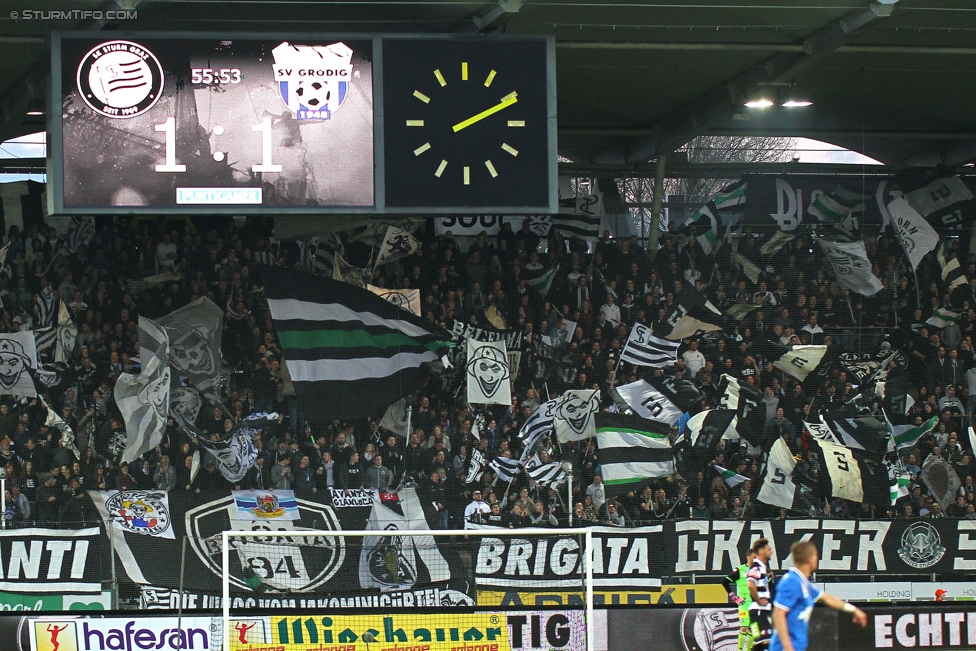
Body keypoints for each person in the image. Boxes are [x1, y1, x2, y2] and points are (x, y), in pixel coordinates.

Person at [770, 541, 867, 651]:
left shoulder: (803, 583)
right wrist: (787, 647)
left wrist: (853, 610)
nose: (817, 558)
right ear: (809, 559)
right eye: (815, 555)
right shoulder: (792, 582)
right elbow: (778, 614)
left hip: (797, 646)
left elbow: (826, 598)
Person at [724, 548, 757, 651]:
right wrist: (734, 597)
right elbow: (725, 582)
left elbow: (768, 582)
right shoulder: (740, 570)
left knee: (752, 630)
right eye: (754, 557)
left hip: (755, 605)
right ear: (748, 557)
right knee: (744, 627)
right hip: (743, 604)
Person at [748, 538, 774, 649]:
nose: (771, 551)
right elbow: (750, 584)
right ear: (762, 551)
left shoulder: (764, 569)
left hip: (757, 613)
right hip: (759, 612)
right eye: (769, 549)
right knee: (766, 642)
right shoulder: (756, 567)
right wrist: (759, 600)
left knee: (758, 644)